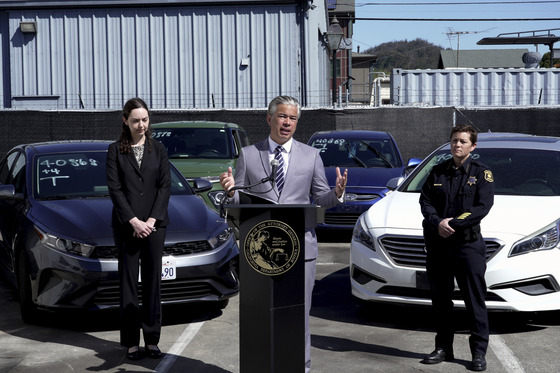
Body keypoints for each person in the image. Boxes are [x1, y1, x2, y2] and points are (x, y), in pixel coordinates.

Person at [219, 95, 348, 372]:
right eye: (282, 116)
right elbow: (238, 202)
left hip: (301, 249)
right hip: (260, 251)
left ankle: (301, 366)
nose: (287, 122)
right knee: (259, 311)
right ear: (269, 119)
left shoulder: (311, 155)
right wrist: (231, 190)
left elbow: (320, 197)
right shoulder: (249, 155)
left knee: (298, 314)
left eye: (292, 118)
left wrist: (337, 193)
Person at [419, 124, 494, 372]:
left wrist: (452, 223)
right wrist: (436, 222)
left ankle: (478, 353)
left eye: (462, 141)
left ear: (473, 146)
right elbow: (425, 201)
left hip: (467, 246)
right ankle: (443, 348)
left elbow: (482, 208)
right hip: (439, 246)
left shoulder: (482, 174)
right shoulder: (437, 172)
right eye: (453, 141)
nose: (457, 145)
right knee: (441, 301)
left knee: (475, 301)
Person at [106, 97, 171, 361]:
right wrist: (133, 221)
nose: (141, 125)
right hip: (127, 226)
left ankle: (152, 340)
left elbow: (164, 187)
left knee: (153, 283)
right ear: (125, 121)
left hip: (155, 227)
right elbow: (115, 189)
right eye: (135, 120)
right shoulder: (115, 151)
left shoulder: (159, 149)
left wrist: (151, 221)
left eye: (145, 119)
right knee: (129, 284)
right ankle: (131, 342)